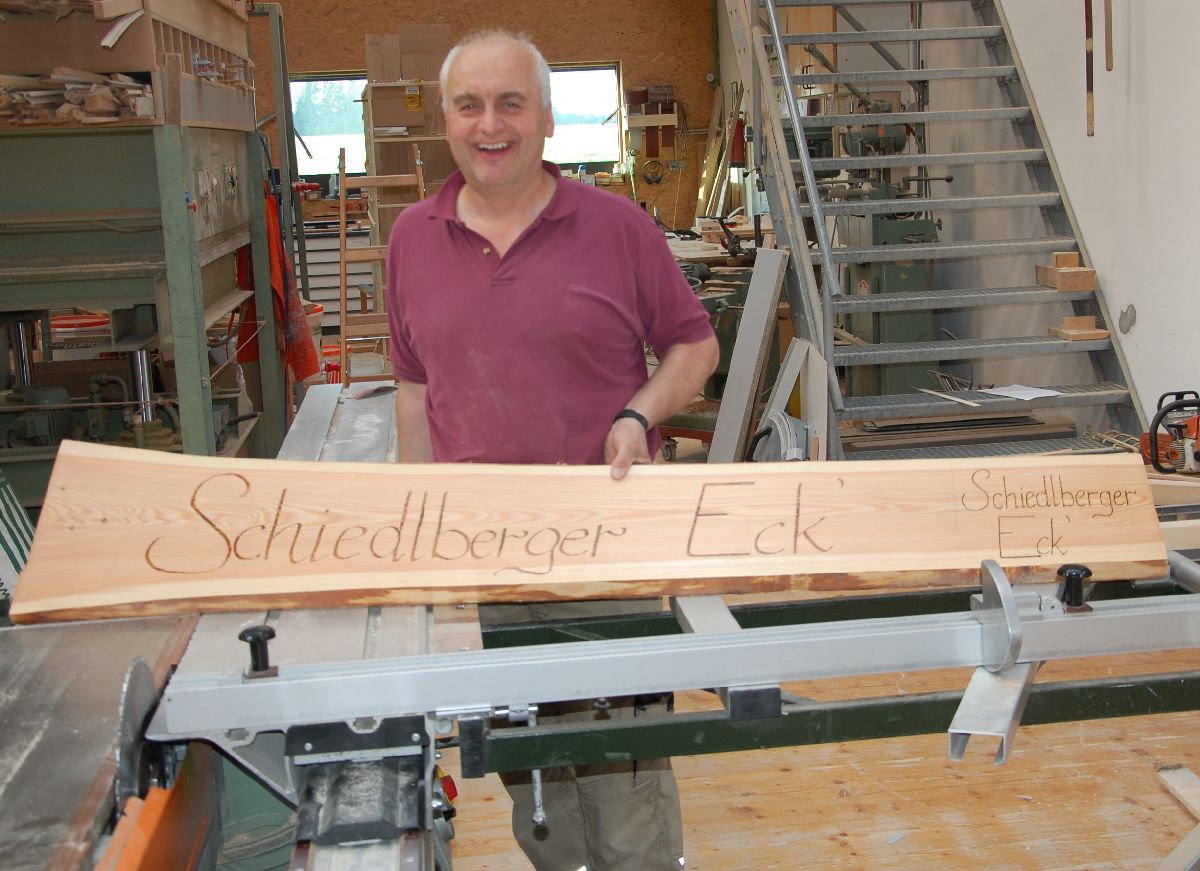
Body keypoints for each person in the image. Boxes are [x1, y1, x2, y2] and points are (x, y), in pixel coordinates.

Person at [385, 29, 719, 871]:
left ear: (547, 119)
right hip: (488, 562)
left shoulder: (616, 228)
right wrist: (419, 538)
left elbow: (695, 345)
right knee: (534, 785)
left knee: (624, 792)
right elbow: (415, 391)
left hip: (606, 556)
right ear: (446, 120)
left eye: (511, 104)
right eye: (469, 105)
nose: (490, 125)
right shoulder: (411, 239)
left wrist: (639, 414)